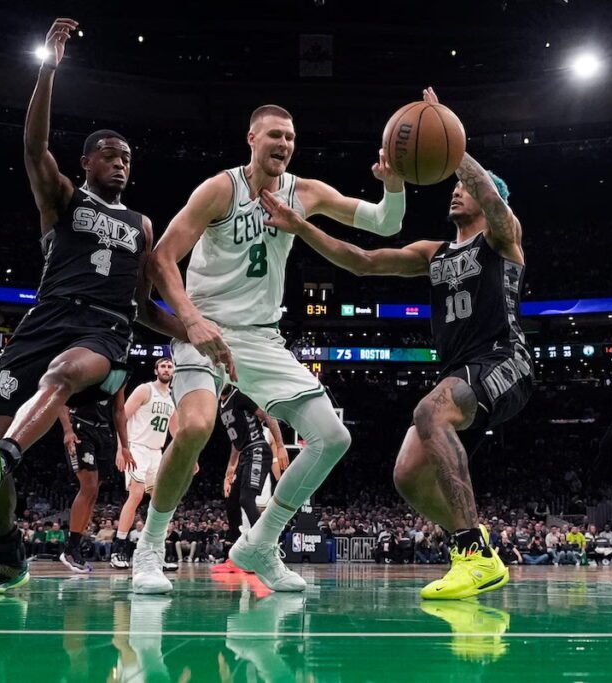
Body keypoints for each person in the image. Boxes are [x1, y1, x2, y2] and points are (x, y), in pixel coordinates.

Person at [0, 17, 187, 596]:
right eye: (108, 154)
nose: (120, 161)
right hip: (45, 316)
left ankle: (4, 455)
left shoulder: (142, 225)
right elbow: (32, 145)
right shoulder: (62, 198)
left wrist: (196, 332)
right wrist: (49, 68)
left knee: (59, 379)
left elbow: (145, 307)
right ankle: (6, 550)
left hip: (102, 329)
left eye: (127, 156)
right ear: (86, 164)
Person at [258, 87, 532, 599]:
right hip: (460, 371)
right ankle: (475, 553)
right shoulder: (434, 252)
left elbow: (492, 199)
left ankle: (471, 552)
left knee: (430, 413)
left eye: (465, 188)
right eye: (454, 185)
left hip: (504, 359)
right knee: (406, 474)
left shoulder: (503, 237)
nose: (456, 192)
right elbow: (361, 261)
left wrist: (453, 147)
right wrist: (300, 226)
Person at [132, 99, 407, 593]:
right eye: (275, 134)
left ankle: (260, 543)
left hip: (262, 338)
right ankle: (149, 548)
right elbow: (161, 259)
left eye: (291, 137)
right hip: (207, 328)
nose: (284, 144)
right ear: (252, 139)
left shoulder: (306, 192)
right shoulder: (221, 188)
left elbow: (386, 224)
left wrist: (393, 183)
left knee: (332, 437)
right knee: (195, 426)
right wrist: (190, 322)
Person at [110, 358, 177, 569]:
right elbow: (122, 416)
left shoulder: (173, 397)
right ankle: (118, 549)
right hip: (136, 447)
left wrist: (189, 455)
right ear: (156, 370)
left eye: (170, 366)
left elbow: (175, 430)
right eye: (163, 366)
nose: (166, 369)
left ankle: (154, 550)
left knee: (160, 501)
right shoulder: (144, 390)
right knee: (136, 493)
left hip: (156, 452)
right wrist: (122, 448)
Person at [214, 387, 288, 573]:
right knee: (232, 503)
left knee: (246, 500)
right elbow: (236, 442)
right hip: (246, 453)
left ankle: (265, 549)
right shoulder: (221, 405)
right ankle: (236, 551)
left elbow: (268, 416)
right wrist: (230, 469)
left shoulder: (239, 396)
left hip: (258, 449)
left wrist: (280, 446)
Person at [58, 387, 127, 573]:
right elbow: (61, 397)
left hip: (104, 432)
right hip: (81, 427)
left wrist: (125, 446)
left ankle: (76, 546)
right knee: (88, 487)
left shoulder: (121, 373)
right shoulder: (88, 364)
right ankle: (70, 549)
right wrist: (67, 430)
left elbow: (119, 411)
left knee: (94, 490)